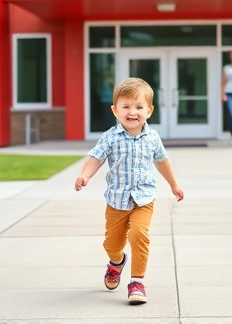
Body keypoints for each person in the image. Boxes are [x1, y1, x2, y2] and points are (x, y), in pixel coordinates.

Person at [74, 78, 184, 305]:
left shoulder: (153, 138)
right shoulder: (110, 137)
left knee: (139, 235)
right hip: (116, 200)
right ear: (115, 110)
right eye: (126, 107)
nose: (132, 112)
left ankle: (137, 282)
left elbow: (162, 162)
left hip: (144, 198)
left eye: (139, 107)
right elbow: (96, 158)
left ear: (150, 111)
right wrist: (85, 175)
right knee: (112, 244)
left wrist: (174, 185)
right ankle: (116, 262)